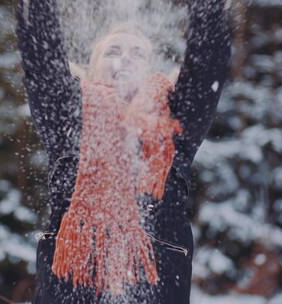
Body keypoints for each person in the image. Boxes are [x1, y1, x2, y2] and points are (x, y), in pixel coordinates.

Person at [15, 0, 231, 303]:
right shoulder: (67, 112)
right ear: (93, 66)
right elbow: (41, 59)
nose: (124, 60)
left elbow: (207, 67)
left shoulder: (172, 121)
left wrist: (207, 8)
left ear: (150, 69)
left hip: (157, 288)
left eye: (137, 53)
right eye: (112, 51)